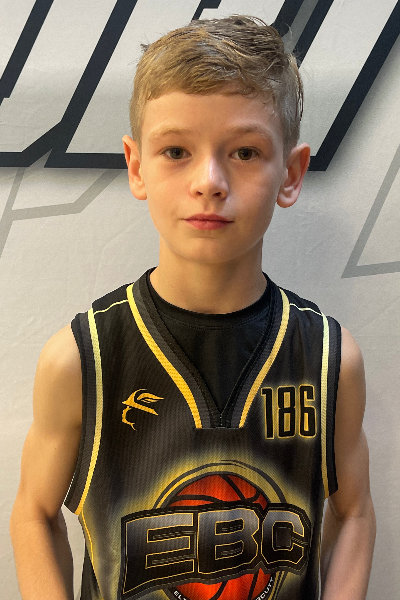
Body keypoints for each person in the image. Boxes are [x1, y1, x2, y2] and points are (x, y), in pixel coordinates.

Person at [10, 15, 376, 600]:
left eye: (245, 152)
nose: (209, 181)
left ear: (291, 173)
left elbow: (354, 511)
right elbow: (33, 511)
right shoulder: (81, 359)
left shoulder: (330, 359)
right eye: (177, 150)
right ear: (137, 166)